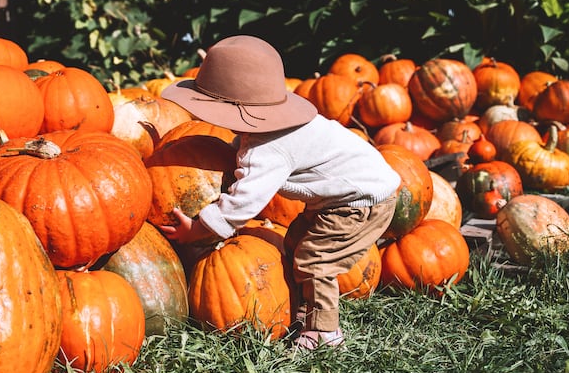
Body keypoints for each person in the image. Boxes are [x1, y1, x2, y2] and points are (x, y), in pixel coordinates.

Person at [158, 35, 401, 350]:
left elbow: (242, 204)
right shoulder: (273, 130)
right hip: (352, 191)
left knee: (316, 259)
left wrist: (200, 228)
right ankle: (307, 312)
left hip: (362, 202)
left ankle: (326, 334)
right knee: (297, 241)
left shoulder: (266, 150)